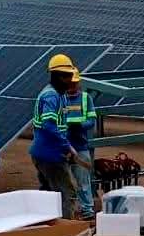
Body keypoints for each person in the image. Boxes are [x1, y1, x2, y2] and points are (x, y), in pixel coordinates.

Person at [30, 53, 81, 219]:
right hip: (50, 155)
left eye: (70, 76)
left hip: (46, 153)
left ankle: (45, 225)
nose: (69, 80)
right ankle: (65, 227)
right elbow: (49, 125)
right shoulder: (51, 96)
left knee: (48, 194)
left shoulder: (59, 95)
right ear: (55, 76)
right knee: (67, 193)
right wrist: (67, 146)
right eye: (65, 76)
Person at [63, 71, 98, 220]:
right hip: (62, 147)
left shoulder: (85, 98)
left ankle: (87, 210)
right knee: (63, 182)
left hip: (80, 146)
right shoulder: (59, 98)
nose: (72, 86)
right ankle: (66, 212)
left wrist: (80, 125)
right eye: (70, 83)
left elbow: (91, 121)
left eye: (75, 83)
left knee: (83, 181)